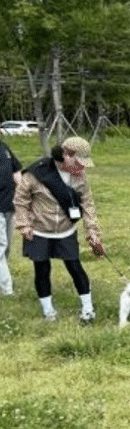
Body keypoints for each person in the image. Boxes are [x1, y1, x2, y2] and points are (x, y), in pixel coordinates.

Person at [13, 136, 104, 322]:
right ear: (65, 155)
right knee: (42, 269)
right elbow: (20, 200)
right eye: (78, 161)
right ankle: (48, 312)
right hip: (39, 230)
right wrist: (24, 224)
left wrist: (93, 232)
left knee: (75, 266)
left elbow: (88, 204)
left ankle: (88, 309)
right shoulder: (35, 174)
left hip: (66, 230)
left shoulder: (80, 175)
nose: (82, 167)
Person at [0, 138, 23, 297]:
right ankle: (7, 289)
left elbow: (16, 172)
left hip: (9, 206)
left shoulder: (4, 147)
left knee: (6, 247)